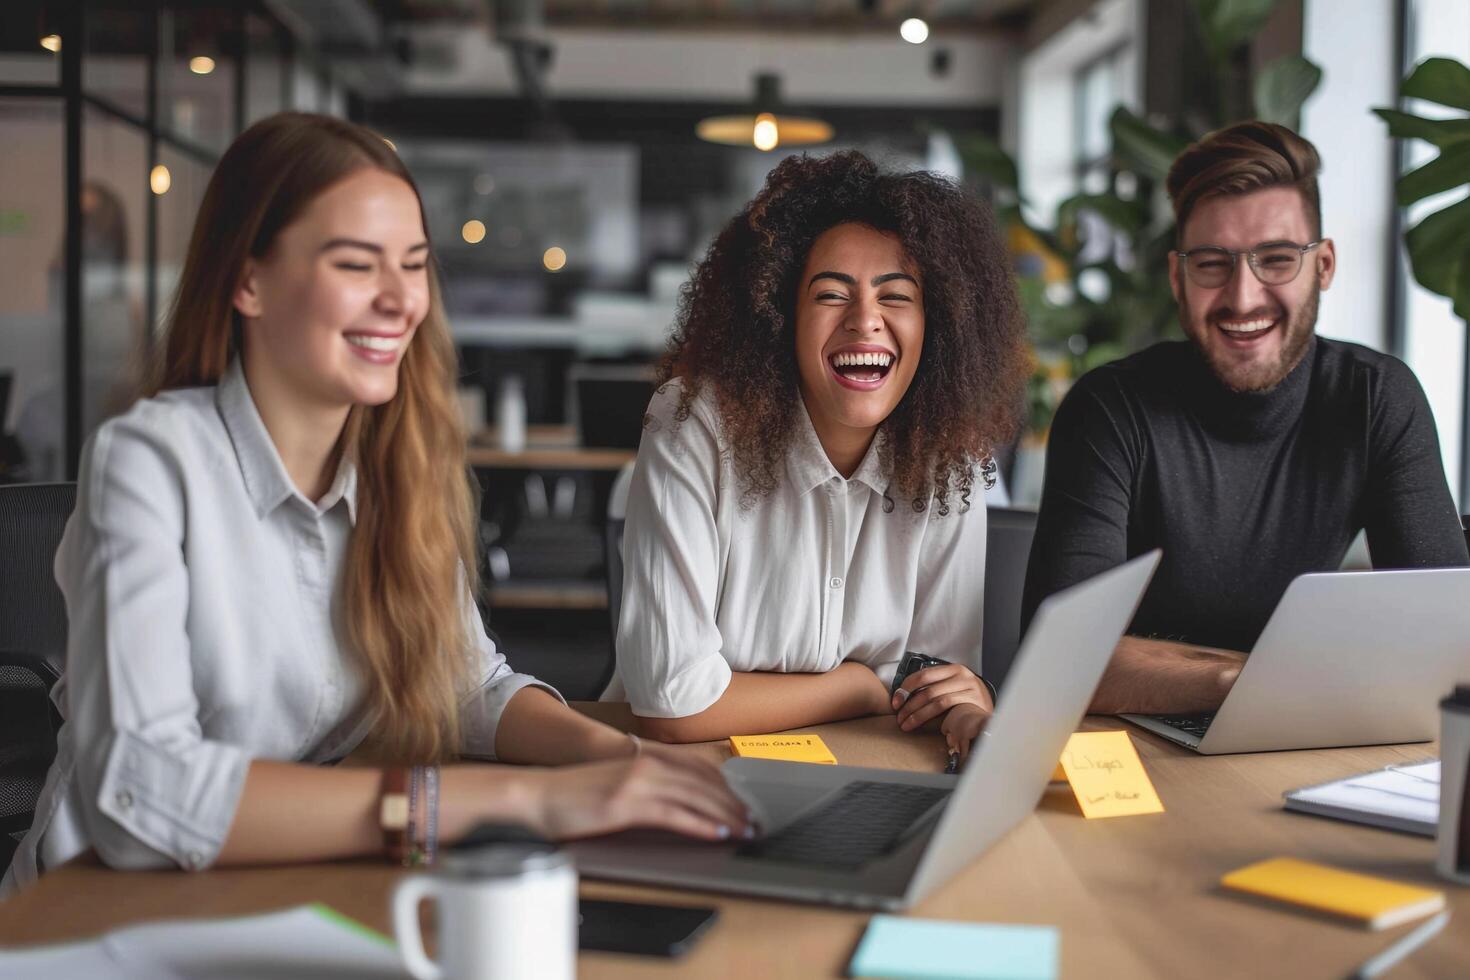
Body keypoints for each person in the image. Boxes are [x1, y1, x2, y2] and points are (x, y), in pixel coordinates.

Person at [3, 112, 749, 894]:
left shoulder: (399, 464)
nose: (401, 300)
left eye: (415, 265)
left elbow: (464, 686)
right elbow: (141, 798)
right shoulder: (150, 462)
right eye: (358, 265)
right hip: (98, 911)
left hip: (284, 885)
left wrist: (620, 765)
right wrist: (523, 798)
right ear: (246, 281)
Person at [1021, 121, 1469, 715]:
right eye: (1212, 264)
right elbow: (1060, 660)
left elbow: (1445, 641)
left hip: (1302, 736)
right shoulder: (1111, 409)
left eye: (1277, 260)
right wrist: (1258, 681)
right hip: (1137, 748)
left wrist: (1261, 683)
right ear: (1178, 277)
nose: (1243, 296)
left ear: (1324, 265)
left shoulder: (1374, 398)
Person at [610, 150, 1029, 760]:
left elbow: (933, 680)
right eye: (832, 295)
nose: (866, 322)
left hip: (869, 766)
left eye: (897, 296)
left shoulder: (949, 453)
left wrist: (963, 702)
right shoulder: (693, 420)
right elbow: (675, 703)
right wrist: (860, 687)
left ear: (937, 323)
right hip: (683, 772)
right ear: (780, 316)